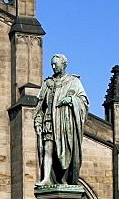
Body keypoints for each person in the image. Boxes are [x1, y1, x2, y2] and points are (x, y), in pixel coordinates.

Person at [34, 54, 89, 186]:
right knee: (47, 148)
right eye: (52, 64)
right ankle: (46, 177)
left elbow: (84, 102)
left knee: (65, 152)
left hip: (65, 123)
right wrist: (37, 120)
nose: (53, 67)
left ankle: (64, 180)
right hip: (49, 121)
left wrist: (71, 100)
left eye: (56, 64)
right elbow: (40, 106)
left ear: (64, 64)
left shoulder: (73, 81)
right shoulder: (47, 83)